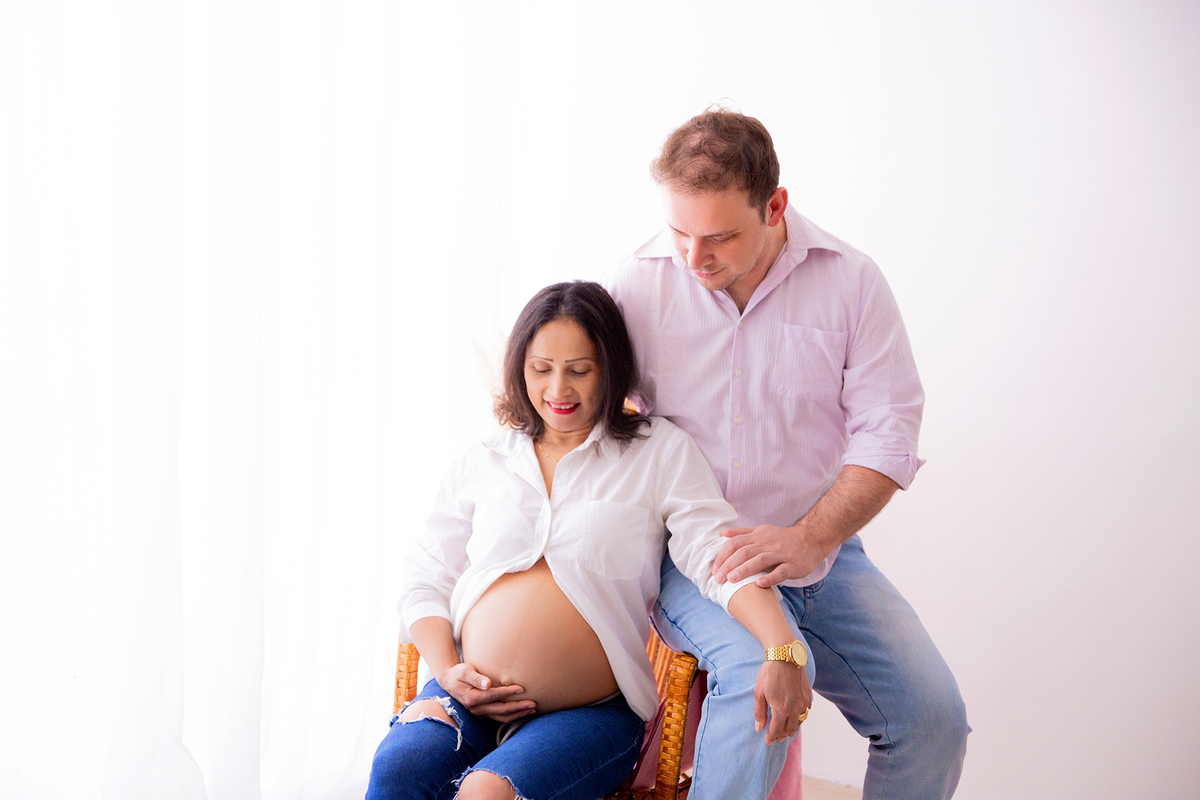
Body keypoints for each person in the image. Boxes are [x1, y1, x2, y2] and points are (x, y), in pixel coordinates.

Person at [603, 109, 970, 800]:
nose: (693, 257)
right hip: (700, 559)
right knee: (753, 691)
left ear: (776, 206)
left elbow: (888, 433)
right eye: (679, 231)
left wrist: (811, 539)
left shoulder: (852, 281)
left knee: (933, 722)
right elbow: (595, 422)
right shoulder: (635, 283)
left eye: (718, 236)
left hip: (823, 554)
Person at [365, 281, 815, 800]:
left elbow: (716, 555)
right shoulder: (484, 459)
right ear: (519, 368)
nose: (559, 389)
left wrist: (784, 647)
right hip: (466, 698)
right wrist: (449, 672)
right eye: (541, 369)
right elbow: (425, 576)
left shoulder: (657, 451)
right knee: (399, 769)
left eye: (579, 370)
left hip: (591, 714)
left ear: (610, 368)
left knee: (486, 793)